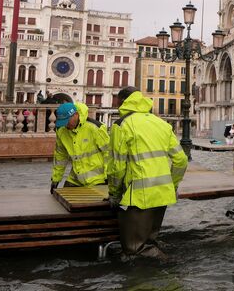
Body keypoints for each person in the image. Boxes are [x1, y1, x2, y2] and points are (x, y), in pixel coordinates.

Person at [107, 86, 188, 260]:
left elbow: (117, 166)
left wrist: (114, 193)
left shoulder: (121, 125)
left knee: (134, 248)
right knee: (150, 240)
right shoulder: (161, 123)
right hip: (162, 194)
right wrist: (171, 185)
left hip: (138, 196)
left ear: (122, 102)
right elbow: (181, 160)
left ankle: (170, 265)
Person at [50, 102, 109, 193]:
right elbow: (60, 156)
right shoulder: (61, 130)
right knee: (63, 200)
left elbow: (108, 154)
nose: (65, 125)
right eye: (62, 122)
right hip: (75, 178)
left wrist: (109, 178)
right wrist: (56, 179)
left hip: (97, 179)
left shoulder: (95, 128)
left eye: (66, 121)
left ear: (76, 115)